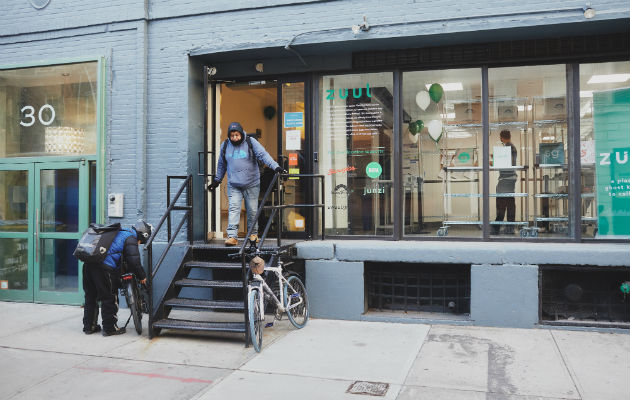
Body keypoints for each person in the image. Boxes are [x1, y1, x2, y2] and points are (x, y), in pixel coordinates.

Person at [208, 122, 284, 246]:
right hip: (234, 184)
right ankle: (232, 236)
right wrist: (217, 180)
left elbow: (263, 155)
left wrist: (276, 167)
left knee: (252, 210)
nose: (234, 138)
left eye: (237, 135)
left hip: (251, 183)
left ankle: (253, 234)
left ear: (241, 133)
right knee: (234, 208)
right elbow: (222, 164)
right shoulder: (226, 144)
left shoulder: (251, 142)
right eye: (232, 135)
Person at [82, 220, 151, 336]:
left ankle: (89, 326)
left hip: (88, 264)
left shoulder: (119, 232)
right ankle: (110, 328)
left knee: (91, 296)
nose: (139, 243)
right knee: (109, 297)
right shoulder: (130, 237)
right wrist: (142, 276)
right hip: (104, 267)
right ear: (141, 234)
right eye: (141, 241)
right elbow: (134, 261)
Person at [493, 130, 518, 234]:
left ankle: (497, 228)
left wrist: (495, 161)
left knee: (502, 204)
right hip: (509, 179)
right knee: (509, 203)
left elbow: (508, 163)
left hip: (505, 179)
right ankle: (509, 228)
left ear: (501, 137)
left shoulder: (509, 148)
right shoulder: (510, 147)